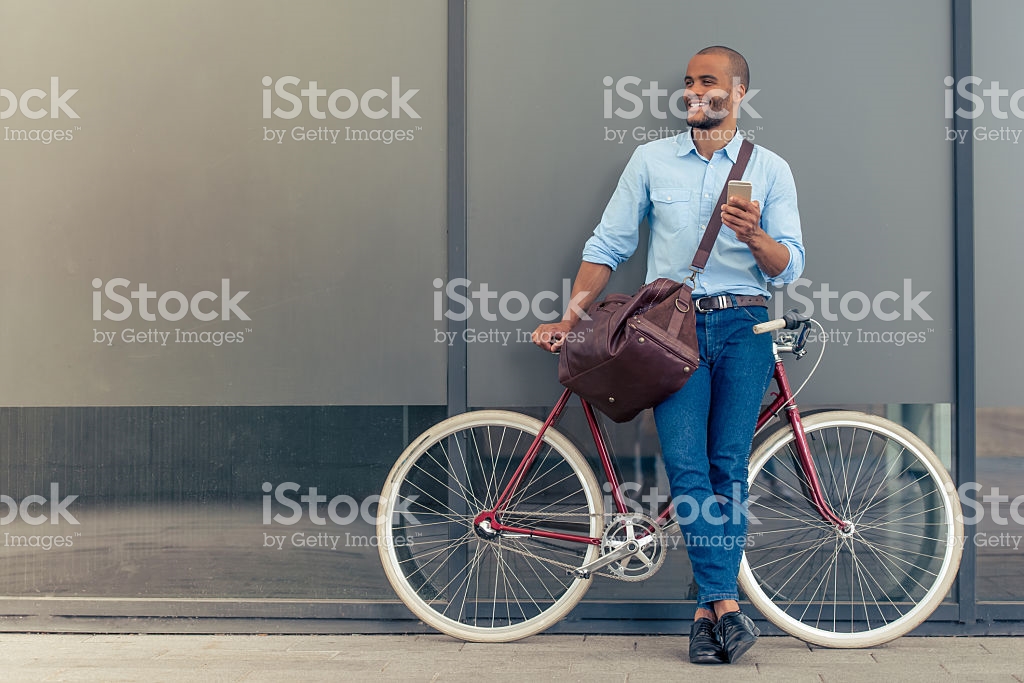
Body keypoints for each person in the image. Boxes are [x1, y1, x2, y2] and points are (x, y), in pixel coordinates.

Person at [532, 46, 804, 665]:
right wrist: (571, 316)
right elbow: (610, 243)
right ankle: (723, 605)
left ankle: (710, 615)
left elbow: (790, 263)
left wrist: (754, 235)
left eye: (708, 82)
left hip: (743, 327)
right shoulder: (651, 160)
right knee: (687, 467)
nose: (694, 92)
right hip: (668, 332)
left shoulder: (772, 169)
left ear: (737, 94)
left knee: (728, 465)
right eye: (688, 83)